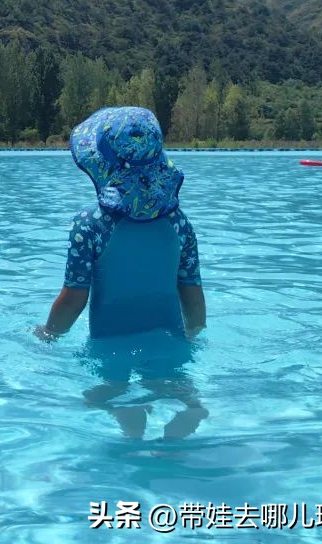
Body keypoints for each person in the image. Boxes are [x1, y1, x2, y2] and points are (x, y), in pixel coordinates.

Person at [36, 106, 208, 438]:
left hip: (110, 345)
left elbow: (73, 300)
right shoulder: (179, 224)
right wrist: (193, 336)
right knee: (177, 388)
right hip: (170, 342)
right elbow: (194, 300)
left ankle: (130, 423)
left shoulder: (91, 225)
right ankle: (188, 414)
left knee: (100, 396)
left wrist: (47, 335)